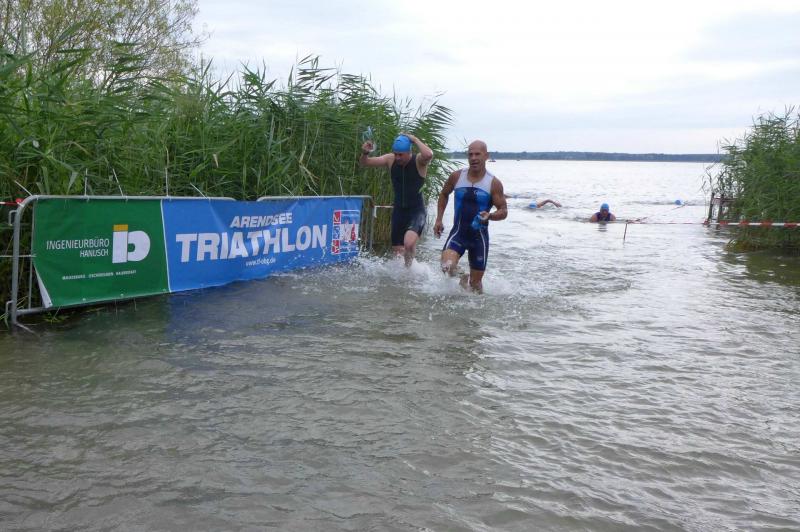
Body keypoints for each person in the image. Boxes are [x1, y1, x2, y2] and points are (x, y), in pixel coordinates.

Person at [434, 140, 508, 293]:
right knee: (446, 266)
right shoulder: (456, 177)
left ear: (486, 156)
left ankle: (475, 305)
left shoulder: (493, 183)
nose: (473, 158)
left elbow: (503, 211)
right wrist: (439, 219)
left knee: (476, 286)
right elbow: (444, 194)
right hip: (458, 233)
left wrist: (490, 216)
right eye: (470, 154)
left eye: (477, 154)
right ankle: (462, 275)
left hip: (479, 238)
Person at [359, 133, 433, 266]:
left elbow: (428, 154)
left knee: (408, 243)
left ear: (409, 152)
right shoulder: (390, 159)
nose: (397, 157)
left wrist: (415, 139)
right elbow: (365, 163)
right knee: (398, 254)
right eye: (396, 154)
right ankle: (405, 276)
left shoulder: (419, 161)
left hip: (416, 211)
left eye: (401, 155)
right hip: (399, 211)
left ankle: (411, 269)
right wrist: (365, 153)